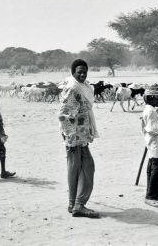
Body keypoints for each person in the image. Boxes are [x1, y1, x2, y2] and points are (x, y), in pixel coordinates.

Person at [58, 59, 99, 218]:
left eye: (84, 72)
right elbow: (63, 114)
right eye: (79, 72)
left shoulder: (84, 86)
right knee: (85, 169)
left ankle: (73, 204)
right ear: (73, 72)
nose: (82, 74)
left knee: (77, 169)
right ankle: (78, 205)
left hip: (81, 135)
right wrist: (69, 136)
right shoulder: (72, 88)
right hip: (74, 136)